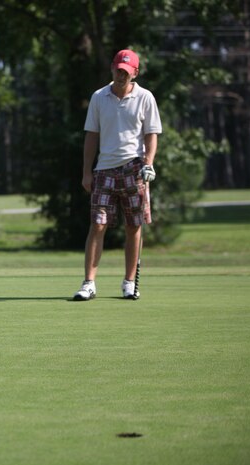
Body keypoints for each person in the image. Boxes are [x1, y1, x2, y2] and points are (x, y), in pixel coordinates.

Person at [73, 50, 162, 301]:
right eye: (117, 70)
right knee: (98, 224)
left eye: (126, 71)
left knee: (134, 226)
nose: (121, 75)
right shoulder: (99, 97)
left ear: (135, 72)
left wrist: (149, 163)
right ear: (112, 68)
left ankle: (129, 282)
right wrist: (86, 172)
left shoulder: (145, 97)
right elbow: (92, 135)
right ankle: (89, 283)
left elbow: (151, 133)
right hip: (104, 169)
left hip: (135, 168)